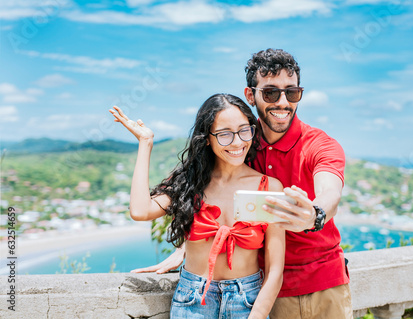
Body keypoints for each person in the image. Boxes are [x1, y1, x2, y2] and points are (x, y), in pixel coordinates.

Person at [132, 49, 352, 319]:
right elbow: (208, 188)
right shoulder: (242, 140)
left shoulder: (318, 145)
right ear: (251, 95)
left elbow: (330, 192)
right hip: (259, 291)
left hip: (319, 282)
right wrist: (189, 245)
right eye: (271, 92)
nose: (283, 102)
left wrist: (314, 214)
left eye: (292, 92)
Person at [110, 93, 285, 319]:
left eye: (244, 130)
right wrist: (145, 143)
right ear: (207, 138)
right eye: (224, 134)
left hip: (248, 302)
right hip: (192, 300)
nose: (237, 142)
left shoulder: (269, 187)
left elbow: (275, 270)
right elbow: (140, 211)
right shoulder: (189, 182)